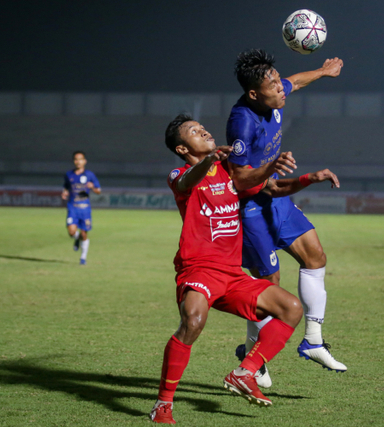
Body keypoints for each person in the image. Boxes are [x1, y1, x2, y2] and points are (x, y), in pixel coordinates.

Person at [150, 114, 341, 424]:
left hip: (233, 273)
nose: (205, 131)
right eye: (196, 132)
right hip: (198, 269)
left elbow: (273, 187)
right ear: (184, 149)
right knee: (193, 322)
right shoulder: (180, 173)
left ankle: (245, 372)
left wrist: (309, 178)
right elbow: (186, 182)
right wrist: (209, 159)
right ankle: (163, 404)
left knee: (291, 308)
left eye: (203, 127)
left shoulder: (230, 170)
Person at [225, 48, 347, 380]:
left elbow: (295, 81)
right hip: (251, 207)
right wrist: (270, 169)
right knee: (268, 288)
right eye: (273, 85)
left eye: (279, 82)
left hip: (275, 196)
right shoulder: (241, 123)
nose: (282, 88)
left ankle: (313, 340)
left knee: (316, 257)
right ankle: (254, 357)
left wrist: (322, 71)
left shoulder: (274, 96)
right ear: (254, 94)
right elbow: (239, 179)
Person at [61, 151, 101, 265]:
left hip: (85, 208)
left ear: (85, 161)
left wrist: (93, 187)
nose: (78, 161)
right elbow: (66, 186)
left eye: (80, 159)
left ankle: (83, 258)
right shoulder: (69, 174)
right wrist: (64, 192)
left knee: (84, 233)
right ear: (74, 161)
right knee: (71, 232)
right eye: (76, 159)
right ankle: (76, 238)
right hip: (73, 207)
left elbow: (99, 191)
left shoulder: (90, 175)